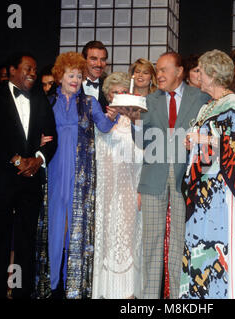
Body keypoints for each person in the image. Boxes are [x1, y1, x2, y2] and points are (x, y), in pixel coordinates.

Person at [0, 52, 58, 298]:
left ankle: (23, 294)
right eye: (28, 69)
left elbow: (52, 136)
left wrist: (38, 159)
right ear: (12, 70)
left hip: (31, 180)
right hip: (2, 178)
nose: (33, 73)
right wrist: (15, 160)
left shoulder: (41, 99)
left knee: (26, 240)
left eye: (35, 69)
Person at [131, 51, 209, 299]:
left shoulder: (201, 98)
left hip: (186, 180)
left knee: (179, 245)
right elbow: (143, 142)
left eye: (164, 70)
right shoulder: (149, 100)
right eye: (158, 69)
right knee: (151, 244)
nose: (159, 74)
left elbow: (209, 139)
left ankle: (178, 298)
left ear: (179, 72)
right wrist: (135, 121)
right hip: (153, 178)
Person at [43, 52, 119, 299]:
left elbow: (105, 126)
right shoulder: (48, 101)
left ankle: (71, 284)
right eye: (70, 74)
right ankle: (52, 283)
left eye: (78, 75)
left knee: (75, 226)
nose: (75, 79)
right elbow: (35, 129)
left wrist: (114, 113)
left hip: (80, 173)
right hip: (53, 169)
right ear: (60, 76)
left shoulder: (89, 102)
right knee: (54, 226)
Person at [180, 49, 235, 299]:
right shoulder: (208, 105)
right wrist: (196, 144)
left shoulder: (232, 103)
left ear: (212, 74)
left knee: (219, 247)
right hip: (203, 191)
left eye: (200, 71)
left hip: (221, 191)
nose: (197, 75)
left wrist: (202, 138)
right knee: (201, 245)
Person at [92, 72, 143, 299]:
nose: (118, 97)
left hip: (129, 189)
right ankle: (105, 289)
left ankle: (128, 291)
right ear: (108, 96)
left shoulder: (136, 122)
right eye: (114, 93)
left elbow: (144, 155)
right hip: (105, 191)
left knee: (129, 239)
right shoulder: (100, 119)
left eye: (123, 92)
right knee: (106, 237)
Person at [81, 40, 108, 112]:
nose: (99, 64)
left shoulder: (109, 86)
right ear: (84, 60)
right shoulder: (71, 84)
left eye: (102, 59)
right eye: (94, 59)